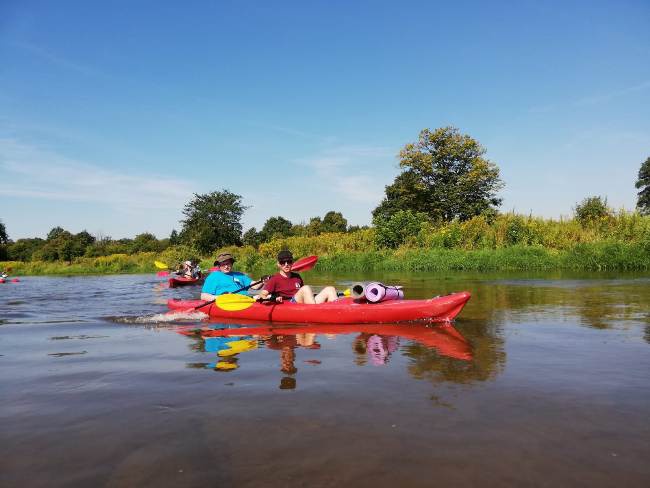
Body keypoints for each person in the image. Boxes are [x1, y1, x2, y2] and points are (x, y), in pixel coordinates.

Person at [258, 250, 337, 304]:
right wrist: (272, 300)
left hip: (302, 303)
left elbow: (305, 294)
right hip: (289, 305)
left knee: (330, 289)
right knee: (305, 288)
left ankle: (337, 312)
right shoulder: (275, 279)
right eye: (283, 262)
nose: (286, 264)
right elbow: (262, 295)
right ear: (278, 264)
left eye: (289, 261)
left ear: (292, 262)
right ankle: (316, 313)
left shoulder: (297, 276)